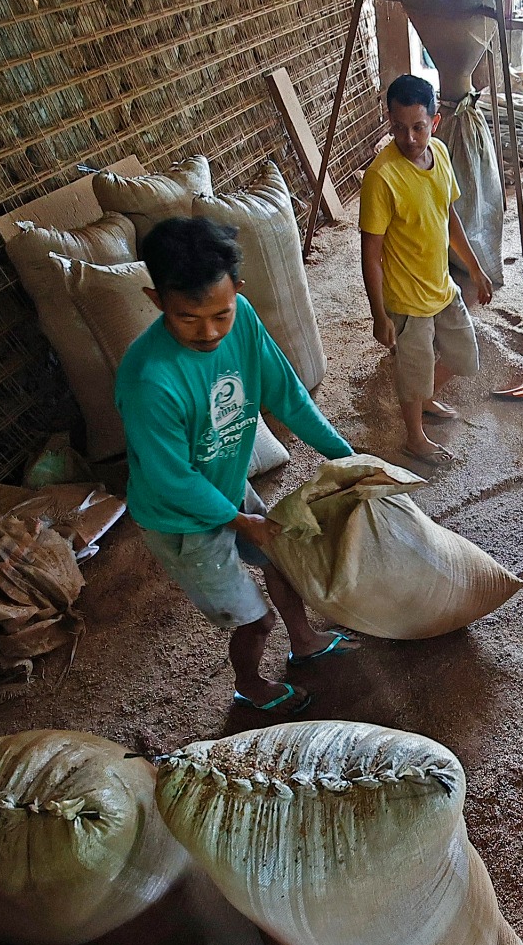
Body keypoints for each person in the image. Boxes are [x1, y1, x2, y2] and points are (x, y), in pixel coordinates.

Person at [116, 216, 358, 716]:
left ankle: (306, 641)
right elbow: (170, 478)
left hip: (226, 482)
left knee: (282, 560)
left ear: (237, 293)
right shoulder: (148, 379)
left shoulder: (243, 318)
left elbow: (287, 394)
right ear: (156, 299)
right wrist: (242, 520)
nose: (209, 332)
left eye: (220, 314)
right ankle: (249, 685)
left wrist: (344, 455)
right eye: (188, 318)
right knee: (253, 621)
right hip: (179, 517)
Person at [359, 74, 494, 467]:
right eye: (399, 128)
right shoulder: (381, 178)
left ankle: (425, 395)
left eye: (419, 127)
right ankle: (414, 438)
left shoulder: (440, 155)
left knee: (465, 356)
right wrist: (379, 313)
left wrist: (475, 268)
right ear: (389, 121)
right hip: (406, 299)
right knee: (411, 371)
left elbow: (448, 217)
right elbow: (371, 253)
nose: (410, 138)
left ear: (435, 123)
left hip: (442, 286)